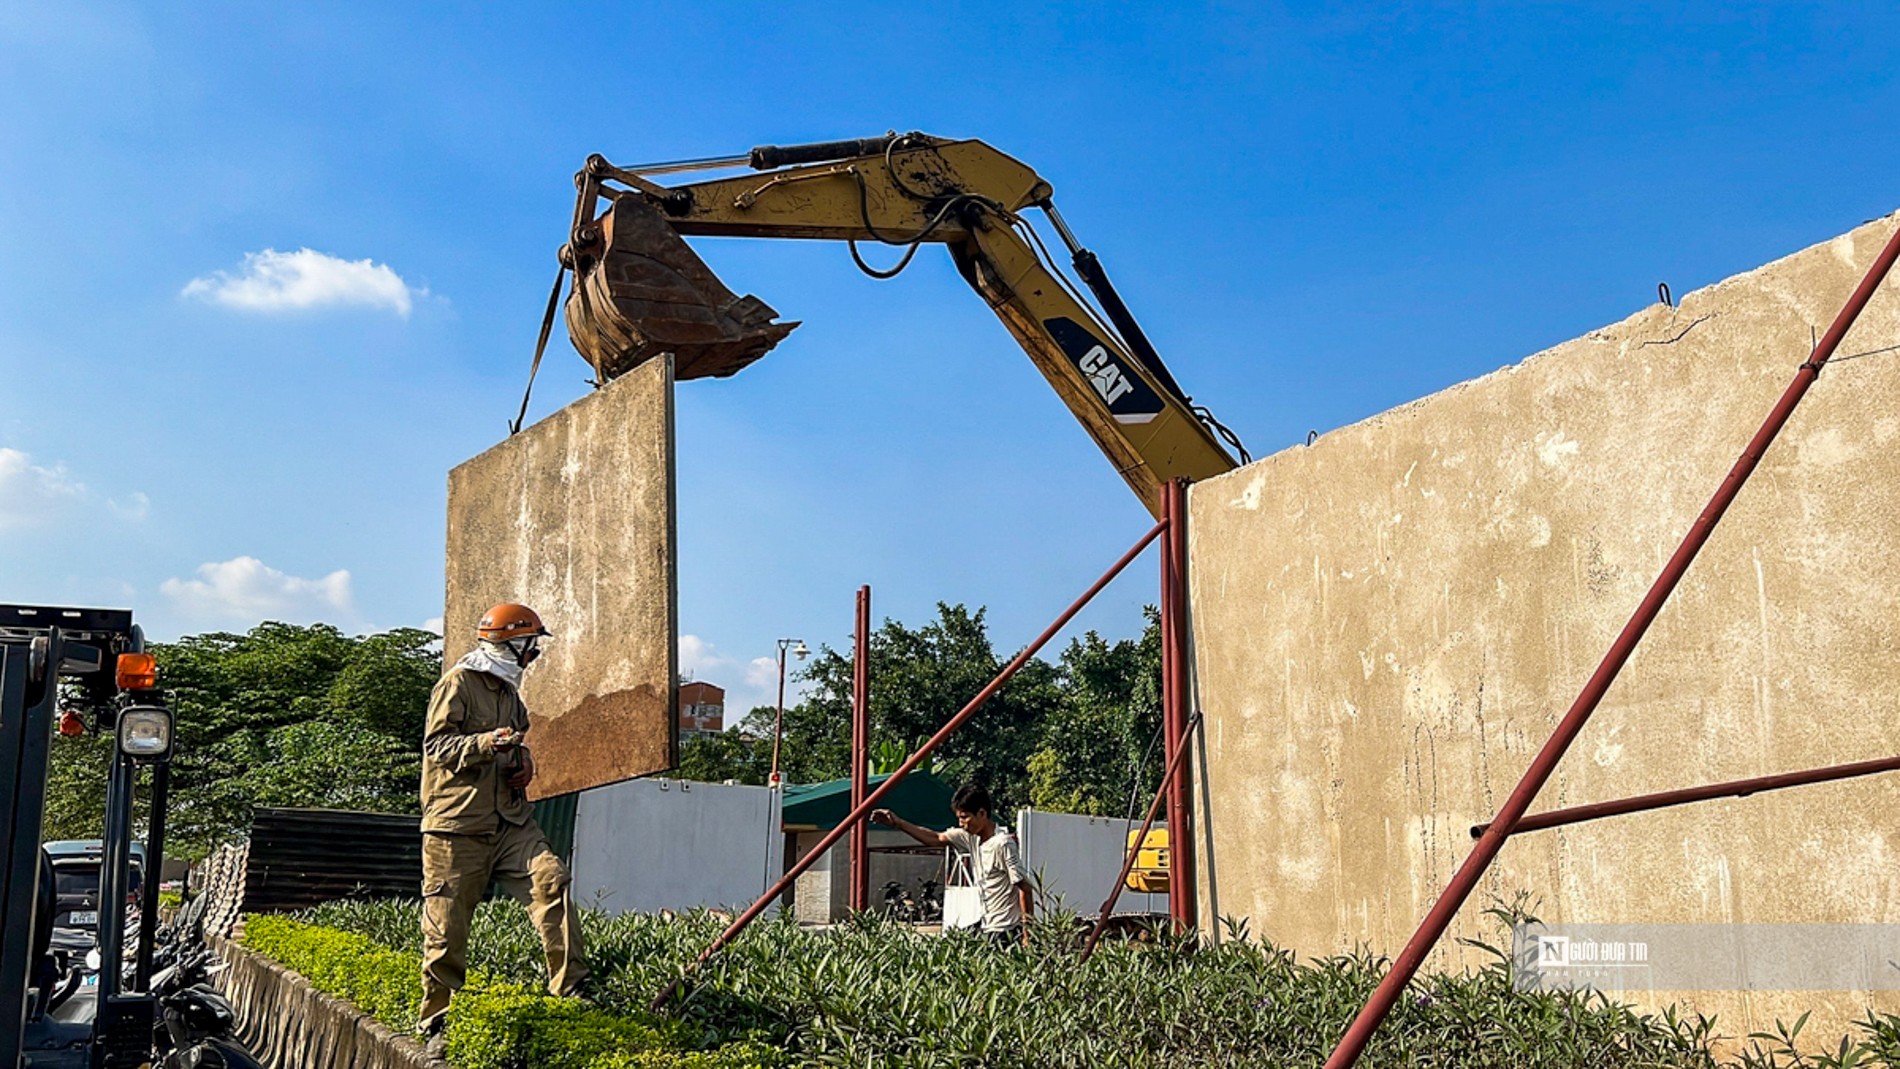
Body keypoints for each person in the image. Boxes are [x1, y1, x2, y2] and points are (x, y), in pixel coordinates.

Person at [416, 602, 587, 1043]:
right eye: (532, 646)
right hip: (457, 825)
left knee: (552, 879)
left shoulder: (511, 693)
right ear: (513, 644)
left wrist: (523, 760)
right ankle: (436, 1021)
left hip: (510, 819)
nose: (535, 656)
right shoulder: (458, 683)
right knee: (447, 926)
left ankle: (570, 992)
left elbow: (518, 742)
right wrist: (485, 743)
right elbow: (438, 746)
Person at [871, 784, 1033, 945]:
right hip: (986, 925)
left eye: (964, 817)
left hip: (1006, 930)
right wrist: (898, 823)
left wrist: (1027, 936)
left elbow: (1024, 888)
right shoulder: (970, 837)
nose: (961, 823)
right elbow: (936, 838)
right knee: (949, 945)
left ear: (982, 813)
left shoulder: (1003, 844)